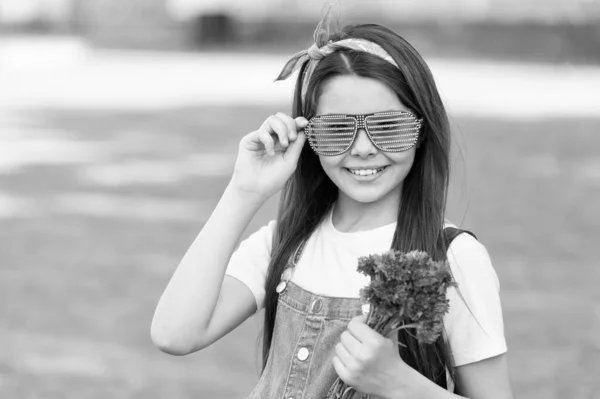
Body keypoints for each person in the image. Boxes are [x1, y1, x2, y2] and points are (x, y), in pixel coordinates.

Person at [151, 8, 513, 399]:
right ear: (308, 135)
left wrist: (399, 382)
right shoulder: (287, 243)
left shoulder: (453, 259)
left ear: (422, 131)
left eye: (388, 127)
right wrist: (244, 191)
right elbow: (174, 333)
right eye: (337, 129)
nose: (362, 149)